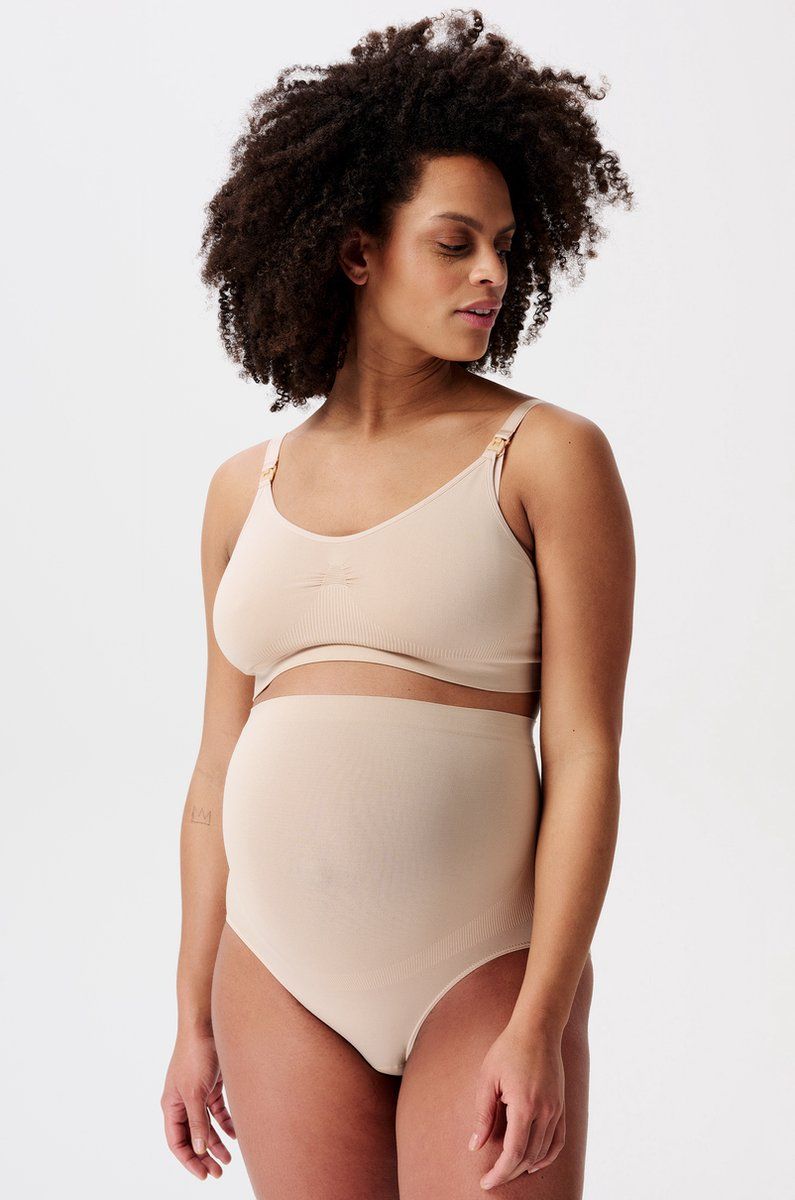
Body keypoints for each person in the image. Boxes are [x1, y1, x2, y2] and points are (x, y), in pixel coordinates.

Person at [161, 11, 635, 1197]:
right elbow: (215, 772)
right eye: (455, 243)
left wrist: (543, 1015)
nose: (493, 276)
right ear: (356, 252)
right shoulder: (242, 491)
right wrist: (191, 1012)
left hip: (484, 971)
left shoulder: (545, 457)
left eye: (506, 248)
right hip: (274, 975)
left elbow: (584, 750)